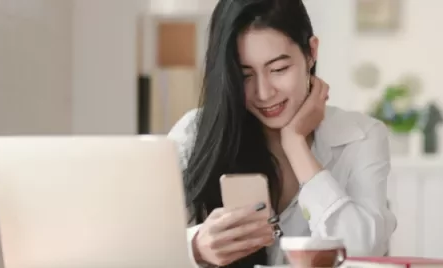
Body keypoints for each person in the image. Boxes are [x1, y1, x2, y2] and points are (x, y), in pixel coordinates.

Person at [166, 0, 396, 267]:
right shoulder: (193, 134)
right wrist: (196, 247)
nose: (264, 93)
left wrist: (296, 145)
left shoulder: (360, 136)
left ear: (311, 52)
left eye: (278, 69)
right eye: (244, 75)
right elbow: (138, 247)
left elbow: (363, 249)